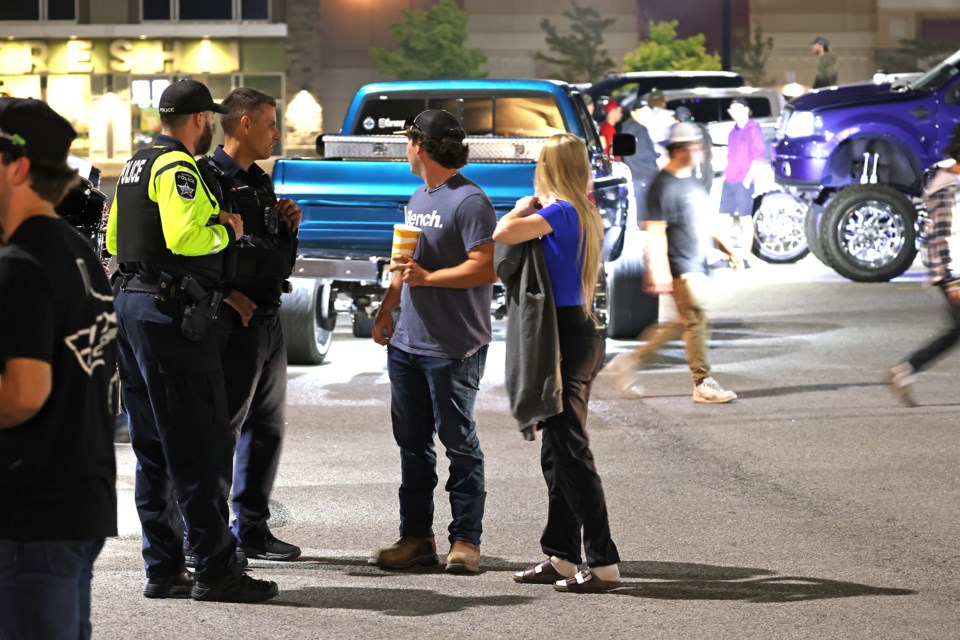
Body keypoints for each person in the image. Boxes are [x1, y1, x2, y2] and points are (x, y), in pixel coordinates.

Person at [106, 79, 278, 603]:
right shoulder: (178, 166)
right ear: (201, 120)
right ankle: (215, 570)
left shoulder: (136, 164)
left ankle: (162, 568)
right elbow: (187, 237)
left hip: (132, 308)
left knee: (151, 444)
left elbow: (112, 239)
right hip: (170, 316)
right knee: (199, 444)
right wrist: (227, 227)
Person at [0, 98, 117, 640]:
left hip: (31, 508)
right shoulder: (76, 249)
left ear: (16, 167)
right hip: (78, 496)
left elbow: (24, 393)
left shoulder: (20, 265)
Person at [369, 109, 497, 575]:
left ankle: (465, 542)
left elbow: (485, 266)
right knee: (413, 445)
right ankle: (416, 538)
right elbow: (405, 261)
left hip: (452, 346)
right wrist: (388, 305)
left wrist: (431, 277)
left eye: (408, 142)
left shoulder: (470, 201)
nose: (406, 150)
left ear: (420, 146)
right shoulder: (419, 195)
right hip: (408, 343)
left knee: (459, 445)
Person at [494, 133, 622, 594]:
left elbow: (501, 235)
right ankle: (563, 555)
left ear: (548, 168)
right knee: (557, 452)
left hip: (565, 336)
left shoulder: (560, 212)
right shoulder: (581, 211)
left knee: (570, 451)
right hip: (577, 331)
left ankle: (603, 562)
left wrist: (520, 207)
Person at [198, 87, 302, 563]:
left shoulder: (260, 181)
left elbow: (278, 259)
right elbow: (209, 251)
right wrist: (227, 289)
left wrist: (288, 228)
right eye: (270, 124)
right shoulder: (207, 177)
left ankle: (252, 529)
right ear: (243, 124)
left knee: (268, 427)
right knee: (223, 430)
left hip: (268, 315)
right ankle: (208, 537)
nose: (277, 135)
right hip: (234, 318)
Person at [606, 122, 740, 404]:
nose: (700, 151)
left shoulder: (690, 181)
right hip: (679, 265)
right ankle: (702, 382)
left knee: (682, 323)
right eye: (694, 146)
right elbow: (655, 230)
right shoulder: (661, 184)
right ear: (679, 150)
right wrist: (659, 270)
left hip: (696, 262)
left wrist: (727, 247)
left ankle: (629, 360)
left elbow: (703, 221)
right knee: (695, 320)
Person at [885, 128, 960, 406]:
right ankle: (903, 370)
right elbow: (941, 236)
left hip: (952, 270)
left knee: (955, 332)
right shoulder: (948, 188)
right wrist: (952, 281)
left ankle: (903, 371)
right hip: (953, 272)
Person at [718, 98, 765, 259]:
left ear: (746, 109)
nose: (734, 112)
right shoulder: (733, 131)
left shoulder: (753, 129)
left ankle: (746, 255)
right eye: (731, 109)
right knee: (724, 218)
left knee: (745, 219)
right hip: (729, 180)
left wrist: (748, 179)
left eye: (738, 108)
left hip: (744, 182)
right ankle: (727, 255)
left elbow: (759, 156)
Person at [619, 99, 659, 217]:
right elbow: (642, 153)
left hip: (634, 176)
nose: (647, 114)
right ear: (633, 113)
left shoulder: (624, 127)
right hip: (643, 177)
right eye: (643, 111)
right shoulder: (639, 129)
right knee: (646, 216)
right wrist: (658, 156)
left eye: (648, 111)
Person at [675, 105, 714, 193]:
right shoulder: (701, 129)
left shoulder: (686, 133)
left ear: (678, 120)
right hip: (706, 176)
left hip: (695, 179)